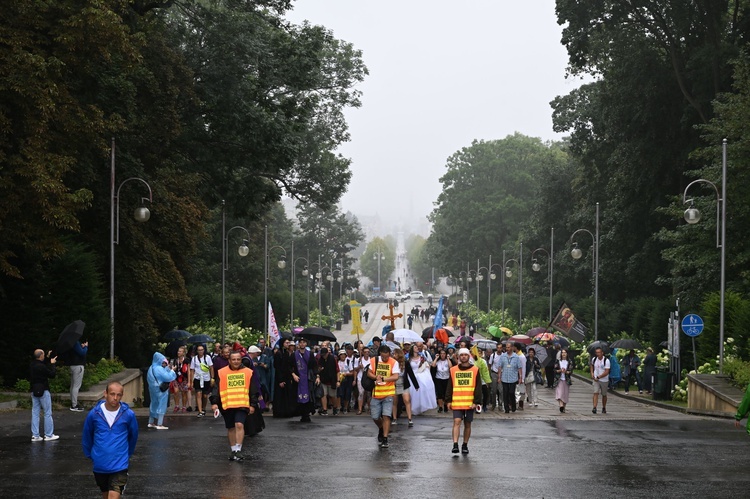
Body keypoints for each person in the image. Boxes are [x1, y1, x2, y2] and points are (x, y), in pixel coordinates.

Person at [82, 381, 139, 499]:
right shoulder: (94, 414)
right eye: (112, 394)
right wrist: (91, 454)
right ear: (105, 394)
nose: (115, 398)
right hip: (100, 464)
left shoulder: (128, 414)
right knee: (106, 495)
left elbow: (133, 436)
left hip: (120, 464)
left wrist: (126, 454)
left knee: (113, 496)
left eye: (119, 395)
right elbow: (87, 435)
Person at [210, 351, 260, 461]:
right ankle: (233, 450)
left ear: (241, 360)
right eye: (233, 359)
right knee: (231, 428)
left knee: (239, 425)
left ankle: (238, 450)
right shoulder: (222, 372)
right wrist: (214, 402)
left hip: (242, 404)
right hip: (227, 404)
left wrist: (253, 404)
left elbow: (253, 390)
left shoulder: (248, 372)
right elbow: (216, 389)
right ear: (229, 360)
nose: (236, 361)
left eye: (238, 359)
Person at [445, 348, 482, 455]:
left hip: (470, 402)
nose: (464, 357)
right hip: (456, 402)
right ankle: (455, 444)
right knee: (457, 422)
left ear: (469, 356)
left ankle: (465, 444)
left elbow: (478, 387)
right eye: (462, 355)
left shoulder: (475, 370)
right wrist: (448, 400)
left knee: (467, 424)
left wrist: (477, 401)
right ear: (458, 357)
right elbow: (450, 386)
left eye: (466, 355)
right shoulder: (453, 370)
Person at [367, 345, 400, 449]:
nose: (385, 359)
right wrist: (376, 377)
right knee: (375, 417)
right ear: (380, 354)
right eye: (383, 357)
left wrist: (384, 379)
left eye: (387, 356)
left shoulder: (394, 362)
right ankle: (381, 428)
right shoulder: (374, 360)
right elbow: (369, 373)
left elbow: (396, 376)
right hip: (376, 393)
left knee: (386, 416)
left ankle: (385, 438)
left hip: (388, 394)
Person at [30, 349, 58, 442]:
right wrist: (53, 364)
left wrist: (48, 357)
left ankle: (35, 435)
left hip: (34, 390)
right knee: (47, 412)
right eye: (43, 354)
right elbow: (52, 374)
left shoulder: (32, 365)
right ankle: (49, 435)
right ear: (41, 356)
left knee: (35, 412)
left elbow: (42, 364)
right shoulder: (41, 366)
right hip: (44, 390)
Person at [146, 352, 177, 429]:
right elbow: (168, 377)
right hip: (160, 389)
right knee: (162, 404)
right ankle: (160, 424)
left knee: (153, 404)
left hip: (152, 389)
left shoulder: (151, 368)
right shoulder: (159, 369)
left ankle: (151, 422)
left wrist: (167, 369)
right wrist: (172, 371)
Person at [293, 338, 318, 422]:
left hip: (308, 378)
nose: (302, 344)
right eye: (301, 342)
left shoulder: (310, 354)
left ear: (306, 344)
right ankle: (302, 414)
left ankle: (307, 414)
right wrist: (293, 374)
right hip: (298, 378)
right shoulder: (294, 354)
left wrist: (317, 376)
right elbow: (289, 366)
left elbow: (314, 366)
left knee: (309, 396)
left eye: (304, 342)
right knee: (299, 396)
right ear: (298, 344)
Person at [408, 343, 437, 416]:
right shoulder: (409, 358)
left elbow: (426, 365)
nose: (417, 348)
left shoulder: (422, 357)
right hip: (412, 376)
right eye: (415, 347)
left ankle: (422, 406)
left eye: (417, 347)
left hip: (421, 374)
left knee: (422, 391)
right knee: (413, 392)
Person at [392, 347, 418, 426]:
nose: (393, 355)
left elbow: (411, 374)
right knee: (394, 402)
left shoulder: (405, 362)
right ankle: (394, 418)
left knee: (407, 400)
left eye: (395, 354)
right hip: (395, 383)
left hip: (404, 384)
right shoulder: (392, 363)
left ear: (398, 354)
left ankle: (410, 419)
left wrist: (416, 385)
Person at [272, 339, 297, 418]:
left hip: (286, 377)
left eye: (288, 343)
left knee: (286, 394)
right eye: (286, 343)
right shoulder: (279, 353)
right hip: (280, 377)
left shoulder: (286, 353)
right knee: (280, 395)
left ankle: (287, 411)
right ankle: (279, 412)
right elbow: (278, 367)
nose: (288, 344)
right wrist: (280, 380)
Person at [190, 344, 214, 417]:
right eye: (199, 350)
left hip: (206, 378)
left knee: (205, 395)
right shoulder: (194, 359)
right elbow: (192, 370)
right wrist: (191, 381)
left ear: (204, 350)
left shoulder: (208, 357)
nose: (200, 351)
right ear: (197, 351)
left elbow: (211, 367)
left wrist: (212, 378)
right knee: (198, 394)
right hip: (198, 378)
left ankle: (203, 408)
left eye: (202, 350)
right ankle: (200, 411)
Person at [498, 342, 522, 413]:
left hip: (513, 378)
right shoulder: (503, 356)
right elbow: (500, 367)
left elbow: (519, 368)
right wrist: (499, 377)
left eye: (508, 347)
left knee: (511, 392)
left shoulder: (516, 357)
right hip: (505, 378)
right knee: (505, 393)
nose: (507, 349)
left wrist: (520, 377)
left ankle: (513, 406)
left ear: (512, 348)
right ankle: (506, 408)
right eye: (506, 347)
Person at [317, 347, 338, 415]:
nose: (323, 356)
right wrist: (319, 371)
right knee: (323, 394)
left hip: (332, 380)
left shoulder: (333, 359)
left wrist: (338, 381)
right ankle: (325, 409)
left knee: (332, 395)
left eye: (324, 355)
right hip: (323, 380)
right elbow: (318, 369)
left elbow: (337, 370)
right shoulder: (320, 360)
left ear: (327, 353)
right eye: (322, 355)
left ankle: (335, 407)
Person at [170, 345, 192, 413]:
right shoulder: (175, 360)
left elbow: (188, 371)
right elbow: (171, 368)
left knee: (184, 393)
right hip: (176, 378)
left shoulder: (187, 360)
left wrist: (189, 382)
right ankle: (177, 405)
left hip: (184, 378)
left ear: (183, 353)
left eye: (180, 351)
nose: (178, 352)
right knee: (176, 392)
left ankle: (184, 406)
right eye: (178, 351)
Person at [68, 339, 88, 412]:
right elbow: (82, 353)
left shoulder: (70, 342)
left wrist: (81, 346)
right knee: (76, 386)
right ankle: (74, 405)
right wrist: (85, 347)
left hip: (72, 365)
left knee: (73, 385)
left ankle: (73, 402)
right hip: (78, 366)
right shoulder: (75, 342)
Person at [591, 347, 610, 414]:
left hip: (604, 379)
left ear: (602, 353)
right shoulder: (594, 359)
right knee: (595, 392)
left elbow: (606, 371)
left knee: (604, 394)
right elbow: (592, 366)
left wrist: (599, 377)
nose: (597, 354)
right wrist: (592, 373)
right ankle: (594, 407)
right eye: (596, 352)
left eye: (599, 352)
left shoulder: (606, 361)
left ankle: (604, 407)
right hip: (596, 379)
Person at [472, 346, 491, 412]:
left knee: (485, 393)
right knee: (476, 394)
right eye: (478, 353)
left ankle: (484, 405)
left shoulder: (483, 361)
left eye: (480, 353)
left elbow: (485, 371)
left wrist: (487, 381)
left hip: (482, 380)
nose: (479, 354)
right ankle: (477, 406)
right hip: (474, 381)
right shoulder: (472, 361)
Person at [554, 349, 574, 413]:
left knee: (565, 394)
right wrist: (560, 371)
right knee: (560, 393)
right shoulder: (558, 361)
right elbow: (555, 370)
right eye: (562, 353)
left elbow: (570, 371)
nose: (563, 354)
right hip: (559, 379)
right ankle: (561, 405)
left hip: (566, 380)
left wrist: (565, 372)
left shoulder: (569, 362)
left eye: (565, 352)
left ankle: (563, 407)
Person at [488, 344, 503, 410]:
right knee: (493, 390)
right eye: (498, 348)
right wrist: (489, 374)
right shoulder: (493, 355)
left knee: (501, 390)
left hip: (502, 374)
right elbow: (490, 365)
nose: (499, 349)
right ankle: (493, 404)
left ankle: (500, 404)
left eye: (500, 348)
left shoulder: (504, 355)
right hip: (494, 373)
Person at [357, 347, 372, 414]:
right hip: (360, 378)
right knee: (361, 393)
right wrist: (359, 367)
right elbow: (355, 370)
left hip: (368, 379)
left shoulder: (371, 360)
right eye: (365, 352)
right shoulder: (359, 360)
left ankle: (369, 408)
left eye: (368, 352)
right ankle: (360, 409)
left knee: (369, 394)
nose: (367, 353)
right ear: (362, 353)